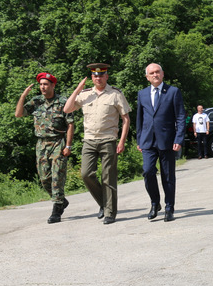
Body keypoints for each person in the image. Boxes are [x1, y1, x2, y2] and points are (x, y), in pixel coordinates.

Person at [64, 63, 131, 224]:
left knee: (108, 177)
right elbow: (67, 109)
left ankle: (110, 213)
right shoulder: (86, 94)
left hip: (108, 139)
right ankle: (103, 203)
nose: (98, 78)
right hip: (89, 140)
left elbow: (126, 119)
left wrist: (122, 141)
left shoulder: (115, 94)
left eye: (101, 75)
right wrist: (77, 89)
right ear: (92, 78)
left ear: (106, 76)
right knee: (86, 174)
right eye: (95, 76)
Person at [15, 72, 75, 224]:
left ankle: (57, 209)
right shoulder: (36, 101)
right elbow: (18, 114)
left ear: (53, 85)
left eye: (46, 84)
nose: (42, 87)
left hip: (57, 142)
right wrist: (23, 96)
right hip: (41, 144)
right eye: (41, 84)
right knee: (44, 178)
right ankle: (61, 200)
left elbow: (70, 124)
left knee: (57, 176)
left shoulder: (62, 102)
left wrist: (68, 145)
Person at [135, 63, 186, 222]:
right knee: (148, 171)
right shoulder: (142, 94)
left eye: (158, 72)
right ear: (147, 77)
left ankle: (169, 207)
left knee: (168, 176)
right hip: (148, 141)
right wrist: (139, 140)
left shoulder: (173, 92)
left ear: (163, 74)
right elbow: (140, 118)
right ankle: (155, 203)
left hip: (168, 141)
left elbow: (180, 117)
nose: (155, 75)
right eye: (152, 73)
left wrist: (178, 139)